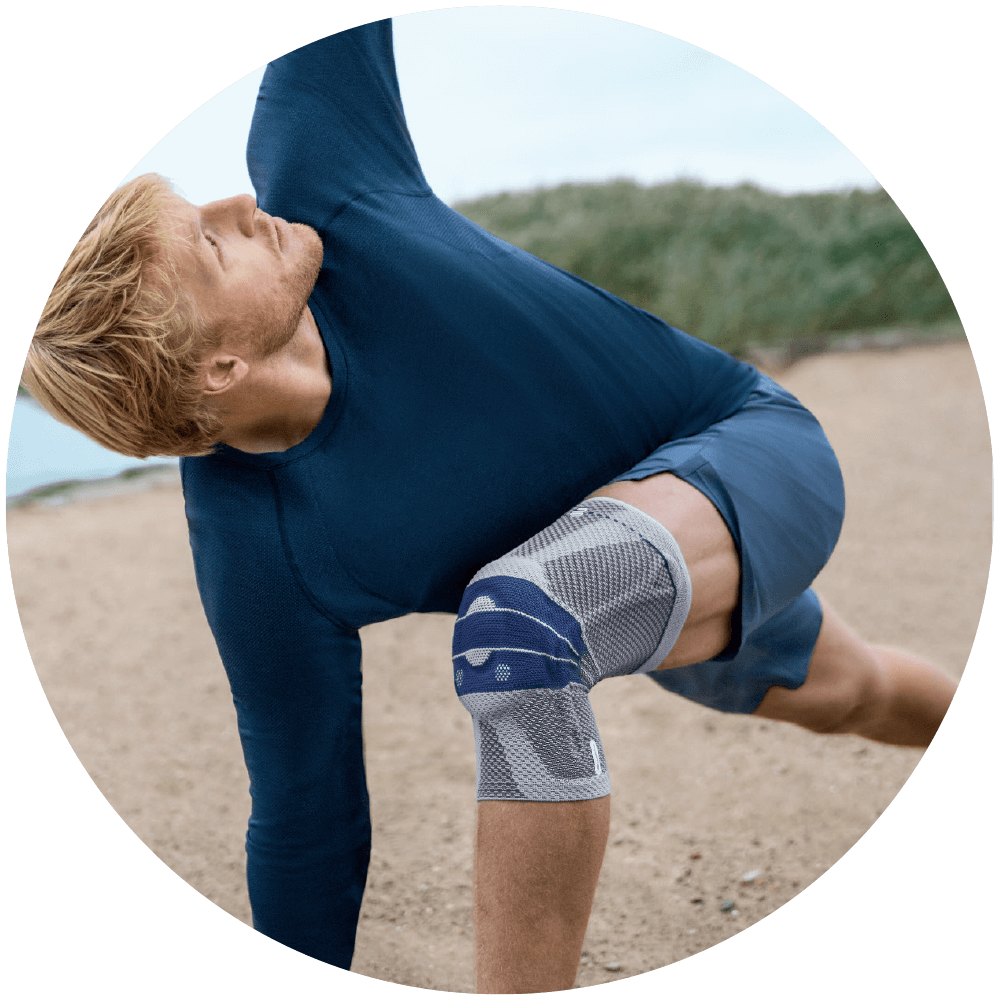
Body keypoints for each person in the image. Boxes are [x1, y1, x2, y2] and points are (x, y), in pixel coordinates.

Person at [25, 20, 957, 992]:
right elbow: (305, 816)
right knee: (859, 693)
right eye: (211, 247)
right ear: (220, 367)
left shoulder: (325, 166)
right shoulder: (257, 547)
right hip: (627, 585)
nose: (238, 203)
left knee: (519, 630)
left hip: (751, 452)